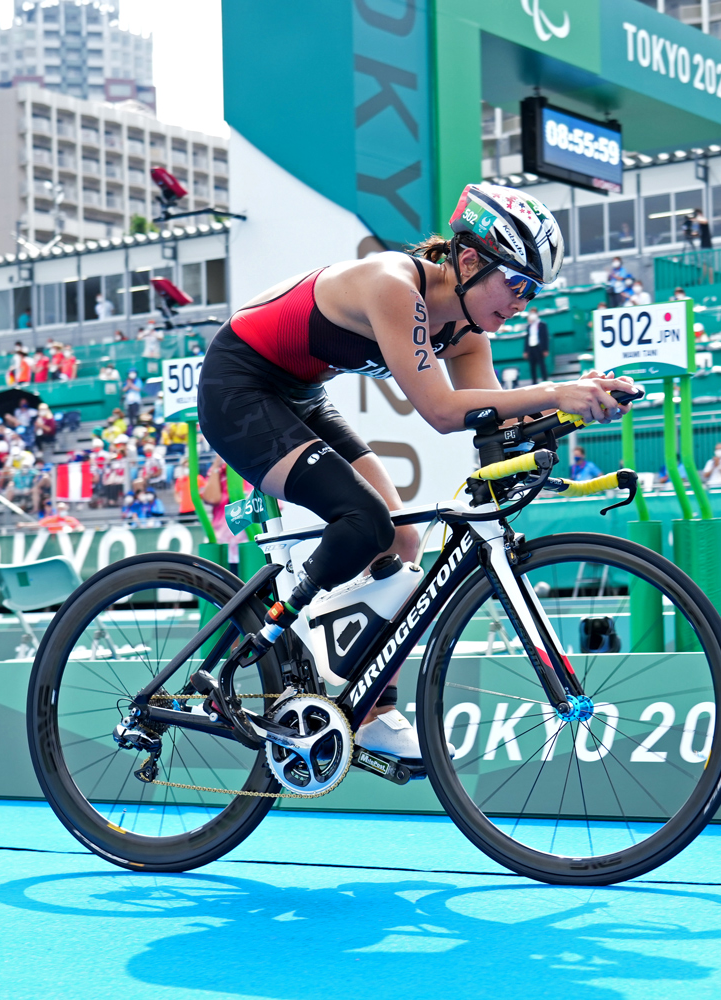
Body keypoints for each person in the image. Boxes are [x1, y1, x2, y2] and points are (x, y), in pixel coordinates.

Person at [194, 182, 633, 756]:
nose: (522, 303)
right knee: (364, 522)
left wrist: (575, 408)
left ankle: (372, 711)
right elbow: (442, 412)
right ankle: (276, 639)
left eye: (533, 293)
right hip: (239, 388)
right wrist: (556, 390)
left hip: (300, 394)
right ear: (471, 259)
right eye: (519, 284)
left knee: (402, 536)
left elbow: (489, 421)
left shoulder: (468, 335)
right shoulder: (394, 284)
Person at [522, 307, 549, 385]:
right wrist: (526, 351)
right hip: (531, 348)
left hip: (539, 347)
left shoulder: (542, 324)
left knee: (542, 365)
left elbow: (545, 337)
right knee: (532, 366)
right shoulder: (528, 326)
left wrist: (545, 349)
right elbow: (527, 339)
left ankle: (545, 381)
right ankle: (534, 382)